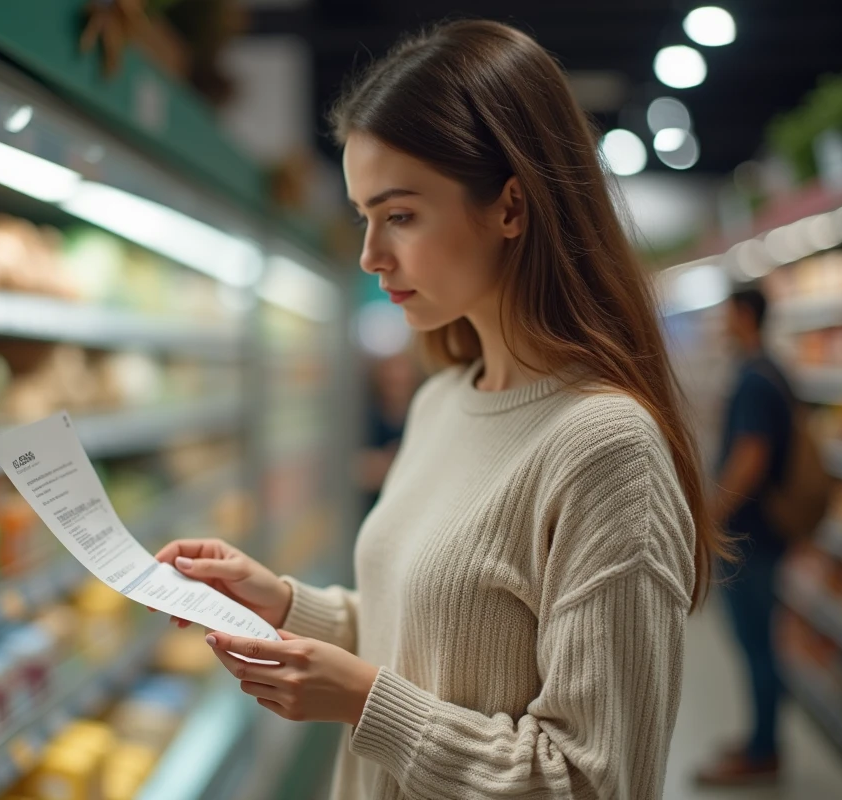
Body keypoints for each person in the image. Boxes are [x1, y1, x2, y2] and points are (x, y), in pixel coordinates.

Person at [155, 20, 732, 799]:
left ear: (511, 208)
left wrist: (363, 702)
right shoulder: (440, 403)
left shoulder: (606, 450)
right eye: (365, 216)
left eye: (399, 215)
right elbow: (428, 640)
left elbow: (596, 780)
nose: (370, 255)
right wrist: (285, 604)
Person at [696, 287, 792, 786]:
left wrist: (710, 517)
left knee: (756, 644)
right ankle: (762, 737)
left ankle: (762, 750)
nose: (721, 323)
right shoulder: (769, 368)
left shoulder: (754, 379)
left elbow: (750, 459)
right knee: (759, 641)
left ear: (744, 315)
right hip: (764, 535)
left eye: (725, 313)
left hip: (750, 537)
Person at [357, 351, 423, 513]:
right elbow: (358, 469)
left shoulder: (424, 413)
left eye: (402, 370)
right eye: (391, 372)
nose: (397, 377)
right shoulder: (366, 418)